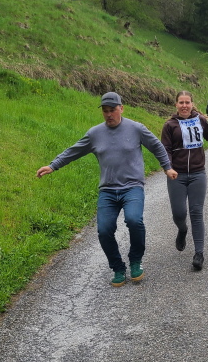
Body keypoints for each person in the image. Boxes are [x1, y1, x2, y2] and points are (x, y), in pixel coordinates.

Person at [36, 92, 178, 287]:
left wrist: (167, 167)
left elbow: (157, 146)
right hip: (108, 190)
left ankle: (135, 260)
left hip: (132, 187)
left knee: (134, 220)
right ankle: (117, 267)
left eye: (112, 110)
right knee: (104, 230)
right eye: (105, 111)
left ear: (121, 108)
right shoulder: (95, 134)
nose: (109, 114)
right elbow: (73, 151)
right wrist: (53, 165)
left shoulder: (136, 129)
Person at [160, 91, 208, 271]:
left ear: (192, 104)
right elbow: (165, 149)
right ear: (176, 105)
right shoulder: (169, 125)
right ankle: (182, 230)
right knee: (179, 213)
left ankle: (199, 253)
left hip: (197, 173)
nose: (184, 106)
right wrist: (168, 167)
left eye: (187, 102)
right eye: (181, 102)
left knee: (196, 212)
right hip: (176, 175)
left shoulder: (200, 120)